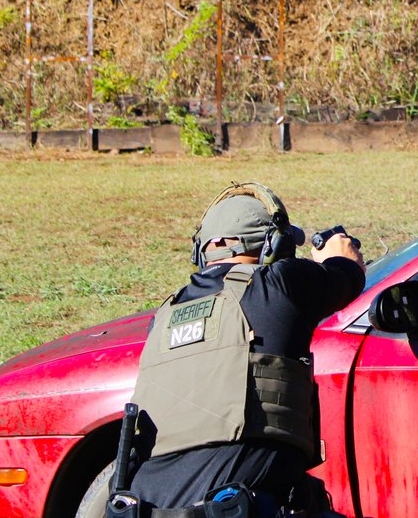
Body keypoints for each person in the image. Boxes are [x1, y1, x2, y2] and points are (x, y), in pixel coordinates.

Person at [124, 182, 365, 513]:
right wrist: (338, 254)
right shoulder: (280, 284)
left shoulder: (162, 318)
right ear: (273, 244)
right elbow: (348, 276)